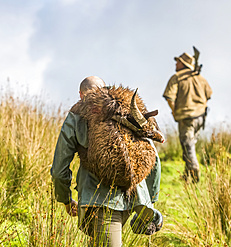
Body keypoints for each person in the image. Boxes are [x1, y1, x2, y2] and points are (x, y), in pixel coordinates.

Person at [51, 76, 162, 247]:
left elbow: (59, 170)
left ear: (80, 94)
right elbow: (154, 158)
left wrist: (65, 199)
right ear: (105, 88)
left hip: (99, 200)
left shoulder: (77, 114)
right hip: (134, 197)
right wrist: (150, 200)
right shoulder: (125, 106)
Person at [163, 52, 212, 183]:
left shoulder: (177, 77)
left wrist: (174, 112)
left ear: (183, 64)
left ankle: (194, 171)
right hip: (201, 117)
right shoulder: (201, 78)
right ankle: (186, 174)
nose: (175, 63)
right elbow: (208, 95)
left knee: (187, 144)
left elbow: (169, 97)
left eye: (178, 61)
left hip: (187, 117)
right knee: (190, 144)